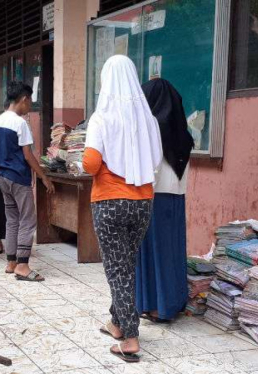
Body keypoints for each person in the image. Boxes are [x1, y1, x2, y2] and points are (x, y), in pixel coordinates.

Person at [82, 55, 163, 362]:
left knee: (117, 269)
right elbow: (155, 160)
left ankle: (129, 338)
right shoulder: (148, 119)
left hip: (109, 201)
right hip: (143, 201)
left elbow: (90, 164)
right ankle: (116, 322)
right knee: (126, 264)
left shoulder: (102, 118)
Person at [0, 81, 55, 281]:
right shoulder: (20, 123)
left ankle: (11, 262)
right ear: (23, 99)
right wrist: (44, 177)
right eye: (29, 102)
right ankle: (22, 265)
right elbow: (28, 156)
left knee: (12, 220)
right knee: (28, 221)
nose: (29, 106)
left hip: (3, 178)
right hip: (19, 178)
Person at [135, 78, 194, 323]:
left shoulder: (153, 129)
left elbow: (151, 169)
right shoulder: (182, 132)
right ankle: (173, 302)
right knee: (172, 251)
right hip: (176, 197)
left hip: (154, 197)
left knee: (153, 253)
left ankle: (156, 306)